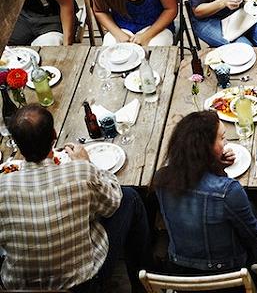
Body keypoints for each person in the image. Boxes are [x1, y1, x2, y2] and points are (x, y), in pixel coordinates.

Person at [0, 104, 150, 292]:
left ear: (18, 146)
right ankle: (143, 283)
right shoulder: (81, 172)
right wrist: (87, 164)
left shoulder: (3, 185)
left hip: (19, 288)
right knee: (130, 197)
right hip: (82, 286)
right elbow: (112, 203)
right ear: (55, 136)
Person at [153, 111, 257, 276]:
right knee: (253, 212)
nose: (225, 144)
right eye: (222, 138)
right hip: (228, 274)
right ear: (205, 148)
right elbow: (251, 235)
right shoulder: (229, 191)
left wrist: (216, 167)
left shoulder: (161, 178)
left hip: (180, 270)